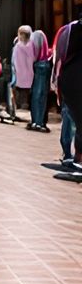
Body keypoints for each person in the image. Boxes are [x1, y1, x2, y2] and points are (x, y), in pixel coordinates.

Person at [55, 15, 82, 170]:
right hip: (73, 81)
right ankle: (76, 158)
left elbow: (60, 57)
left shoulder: (68, 31)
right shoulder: (70, 30)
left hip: (70, 81)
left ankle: (74, 156)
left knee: (75, 120)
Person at [30, 27, 53, 133]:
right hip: (45, 66)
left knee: (36, 96)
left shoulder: (36, 36)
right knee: (42, 96)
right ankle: (39, 121)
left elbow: (34, 53)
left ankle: (36, 121)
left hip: (38, 66)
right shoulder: (46, 52)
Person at [12, 26, 36, 120]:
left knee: (16, 92)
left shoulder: (17, 46)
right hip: (30, 74)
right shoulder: (31, 45)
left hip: (18, 75)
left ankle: (15, 110)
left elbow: (14, 61)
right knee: (27, 93)